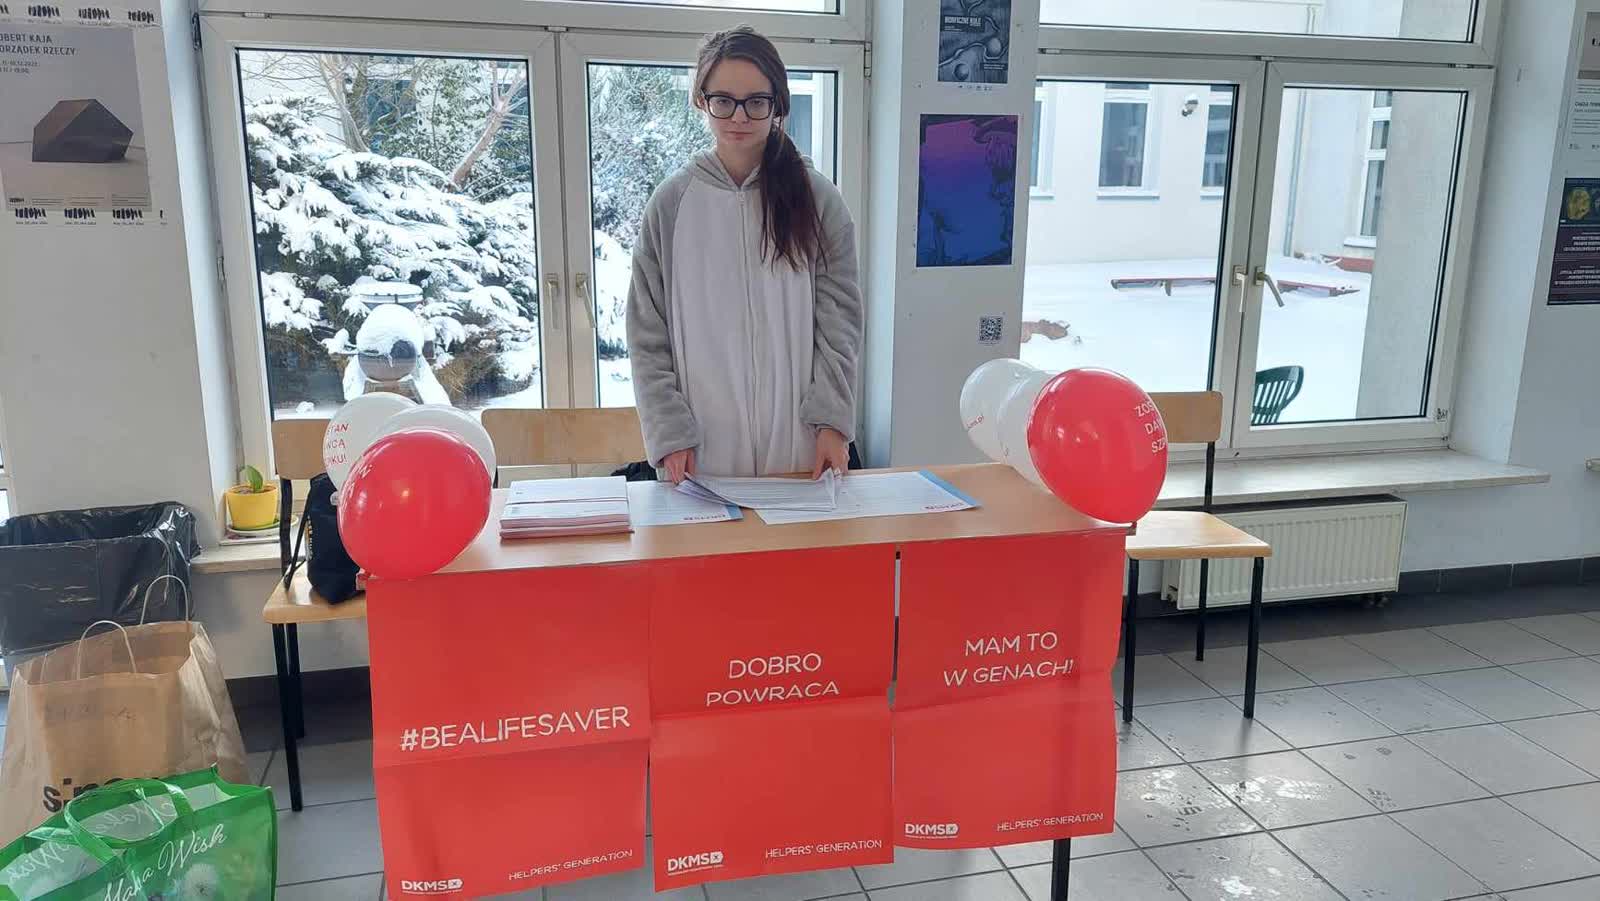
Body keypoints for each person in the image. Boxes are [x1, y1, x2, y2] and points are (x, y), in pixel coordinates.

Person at [627, 25, 863, 483]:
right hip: (700, 453)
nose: (739, 116)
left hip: (800, 447)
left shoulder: (818, 199)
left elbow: (840, 322)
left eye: (756, 101)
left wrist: (832, 422)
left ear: (778, 104)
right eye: (724, 100)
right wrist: (669, 433)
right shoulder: (671, 204)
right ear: (702, 100)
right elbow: (646, 331)